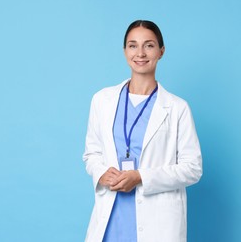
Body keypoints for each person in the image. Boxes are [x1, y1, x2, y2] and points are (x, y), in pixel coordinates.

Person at [83, 20, 202, 242]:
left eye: (149, 45)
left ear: (161, 51)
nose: (140, 53)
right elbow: (91, 154)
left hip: (159, 221)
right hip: (111, 217)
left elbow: (192, 168)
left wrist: (141, 177)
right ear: (124, 51)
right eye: (132, 45)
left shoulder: (177, 107)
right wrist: (101, 172)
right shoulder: (102, 100)